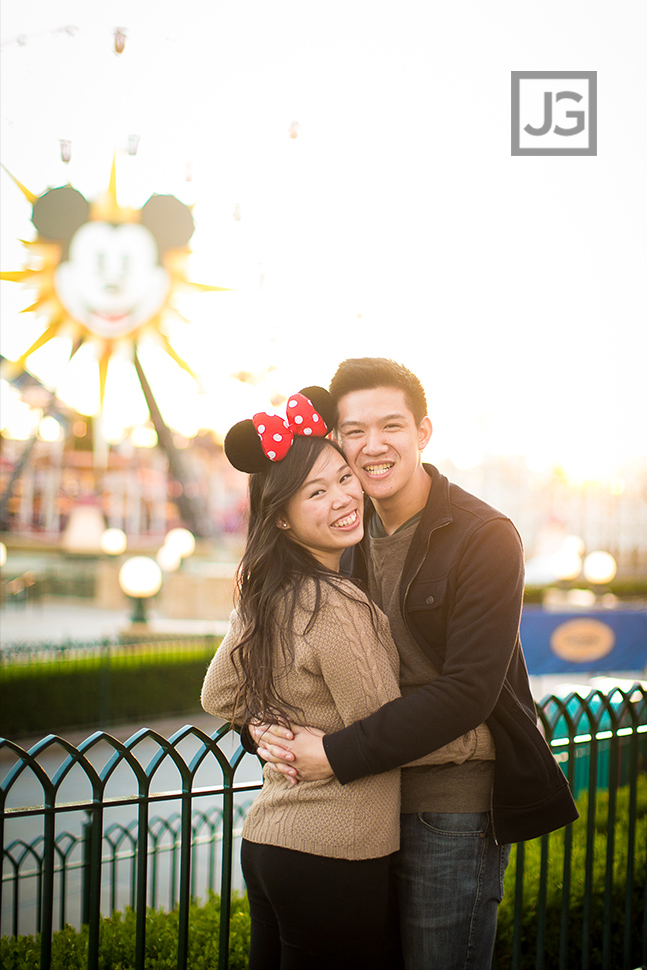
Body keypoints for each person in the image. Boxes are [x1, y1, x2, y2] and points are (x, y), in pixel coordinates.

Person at [250, 360, 579, 970]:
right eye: (353, 431)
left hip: (447, 812)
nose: (372, 447)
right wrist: (264, 733)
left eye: (391, 426)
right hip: (359, 815)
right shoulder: (343, 529)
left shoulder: (484, 536)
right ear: (336, 440)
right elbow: (280, 658)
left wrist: (335, 752)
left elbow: (468, 693)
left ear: (423, 431)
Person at [200, 385, 484, 970]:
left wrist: (264, 730)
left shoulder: (267, 593)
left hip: (269, 843)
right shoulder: (337, 606)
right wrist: (479, 743)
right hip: (335, 851)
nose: (344, 498)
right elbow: (379, 731)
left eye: (343, 478)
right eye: (317, 492)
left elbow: (218, 693)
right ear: (280, 517)